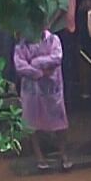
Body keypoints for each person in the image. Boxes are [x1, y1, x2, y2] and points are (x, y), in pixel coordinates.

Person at [12, 27, 70, 173]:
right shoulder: (21, 45)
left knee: (59, 121)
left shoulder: (53, 40)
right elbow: (20, 66)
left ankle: (64, 155)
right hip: (31, 90)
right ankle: (39, 158)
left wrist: (36, 62)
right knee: (31, 122)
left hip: (52, 89)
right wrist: (38, 72)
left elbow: (57, 58)